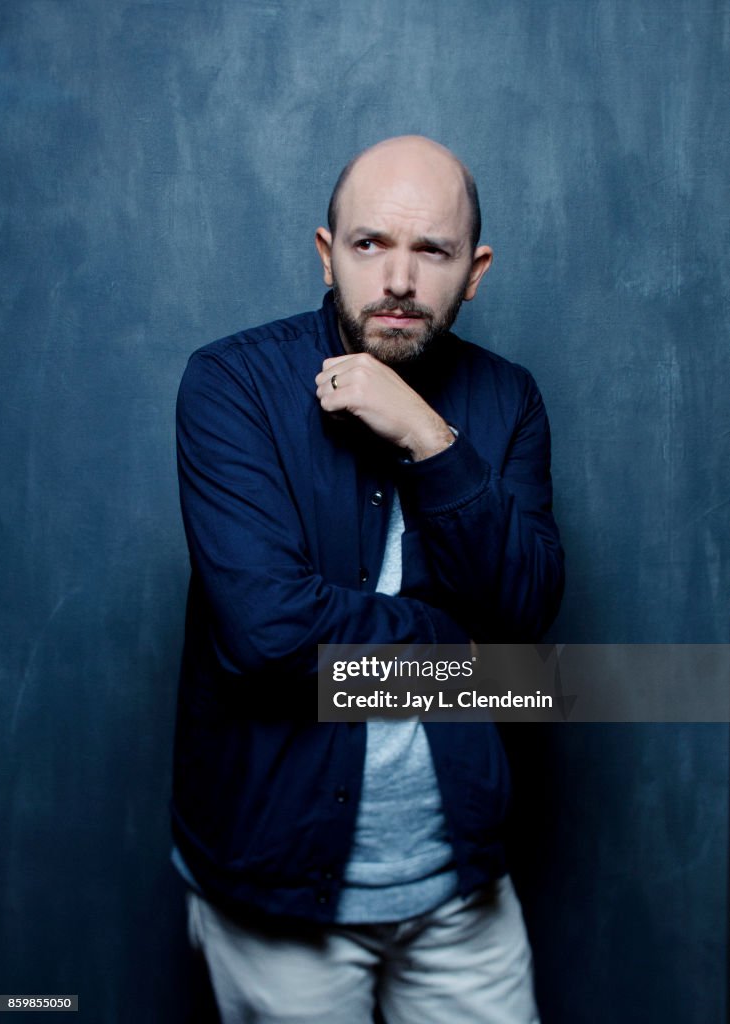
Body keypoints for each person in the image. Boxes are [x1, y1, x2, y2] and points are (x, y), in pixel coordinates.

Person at [171, 135, 564, 1023]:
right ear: (326, 252)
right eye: (369, 245)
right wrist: (464, 650)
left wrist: (427, 438)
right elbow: (269, 641)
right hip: (275, 890)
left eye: (431, 250)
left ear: (475, 270)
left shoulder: (508, 403)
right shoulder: (232, 385)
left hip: (460, 885)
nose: (398, 279)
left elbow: (527, 613)